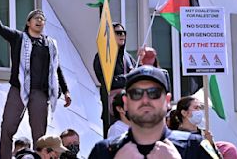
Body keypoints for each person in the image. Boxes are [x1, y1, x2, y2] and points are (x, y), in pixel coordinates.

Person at [0, 0, 72, 159]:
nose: (40, 20)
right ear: (28, 22)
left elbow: (56, 68)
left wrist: (66, 90)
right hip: (18, 90)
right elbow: (0, 29)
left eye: (42, 18)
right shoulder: (19, 38)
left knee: (40, 137)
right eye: (36, 18)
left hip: (40, 92)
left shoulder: (50, 44)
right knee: (7, 128)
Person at [89, 65, 220, 158]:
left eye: (154, 93)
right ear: (126, 102)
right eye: (136, 93)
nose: (145, 100)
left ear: (168, 100)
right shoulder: (104, 151)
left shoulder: (194, 148)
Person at [93, 22, 136, 137]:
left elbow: (137, 77)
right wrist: (128, 78)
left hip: (130, 108)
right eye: (118, 33)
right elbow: (106, 81)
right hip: (112, 109)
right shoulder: (102, 56)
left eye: (123, 33)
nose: (122, 35)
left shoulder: (128, 57)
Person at [169, 96, 237, 158]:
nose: (199, 111)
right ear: (184, 113)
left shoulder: (204, 135)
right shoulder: (177, 137)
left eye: (200, 108)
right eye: (196, 108)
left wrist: (212, 145)